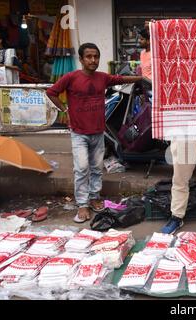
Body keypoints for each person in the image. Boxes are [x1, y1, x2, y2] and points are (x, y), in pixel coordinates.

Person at [46, 43, 146, 223]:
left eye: (96, 57)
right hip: (79, 133)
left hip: (98, 132)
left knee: (96, 169)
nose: (93, 60)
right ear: (81, 59)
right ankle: (83, 204)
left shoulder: (102, 77)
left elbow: (120, 79)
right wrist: (64, 109)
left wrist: (143, 77)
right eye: (89, 57)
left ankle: (94, 197)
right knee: (82, 168)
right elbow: (51, 92)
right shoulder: (71, 77)